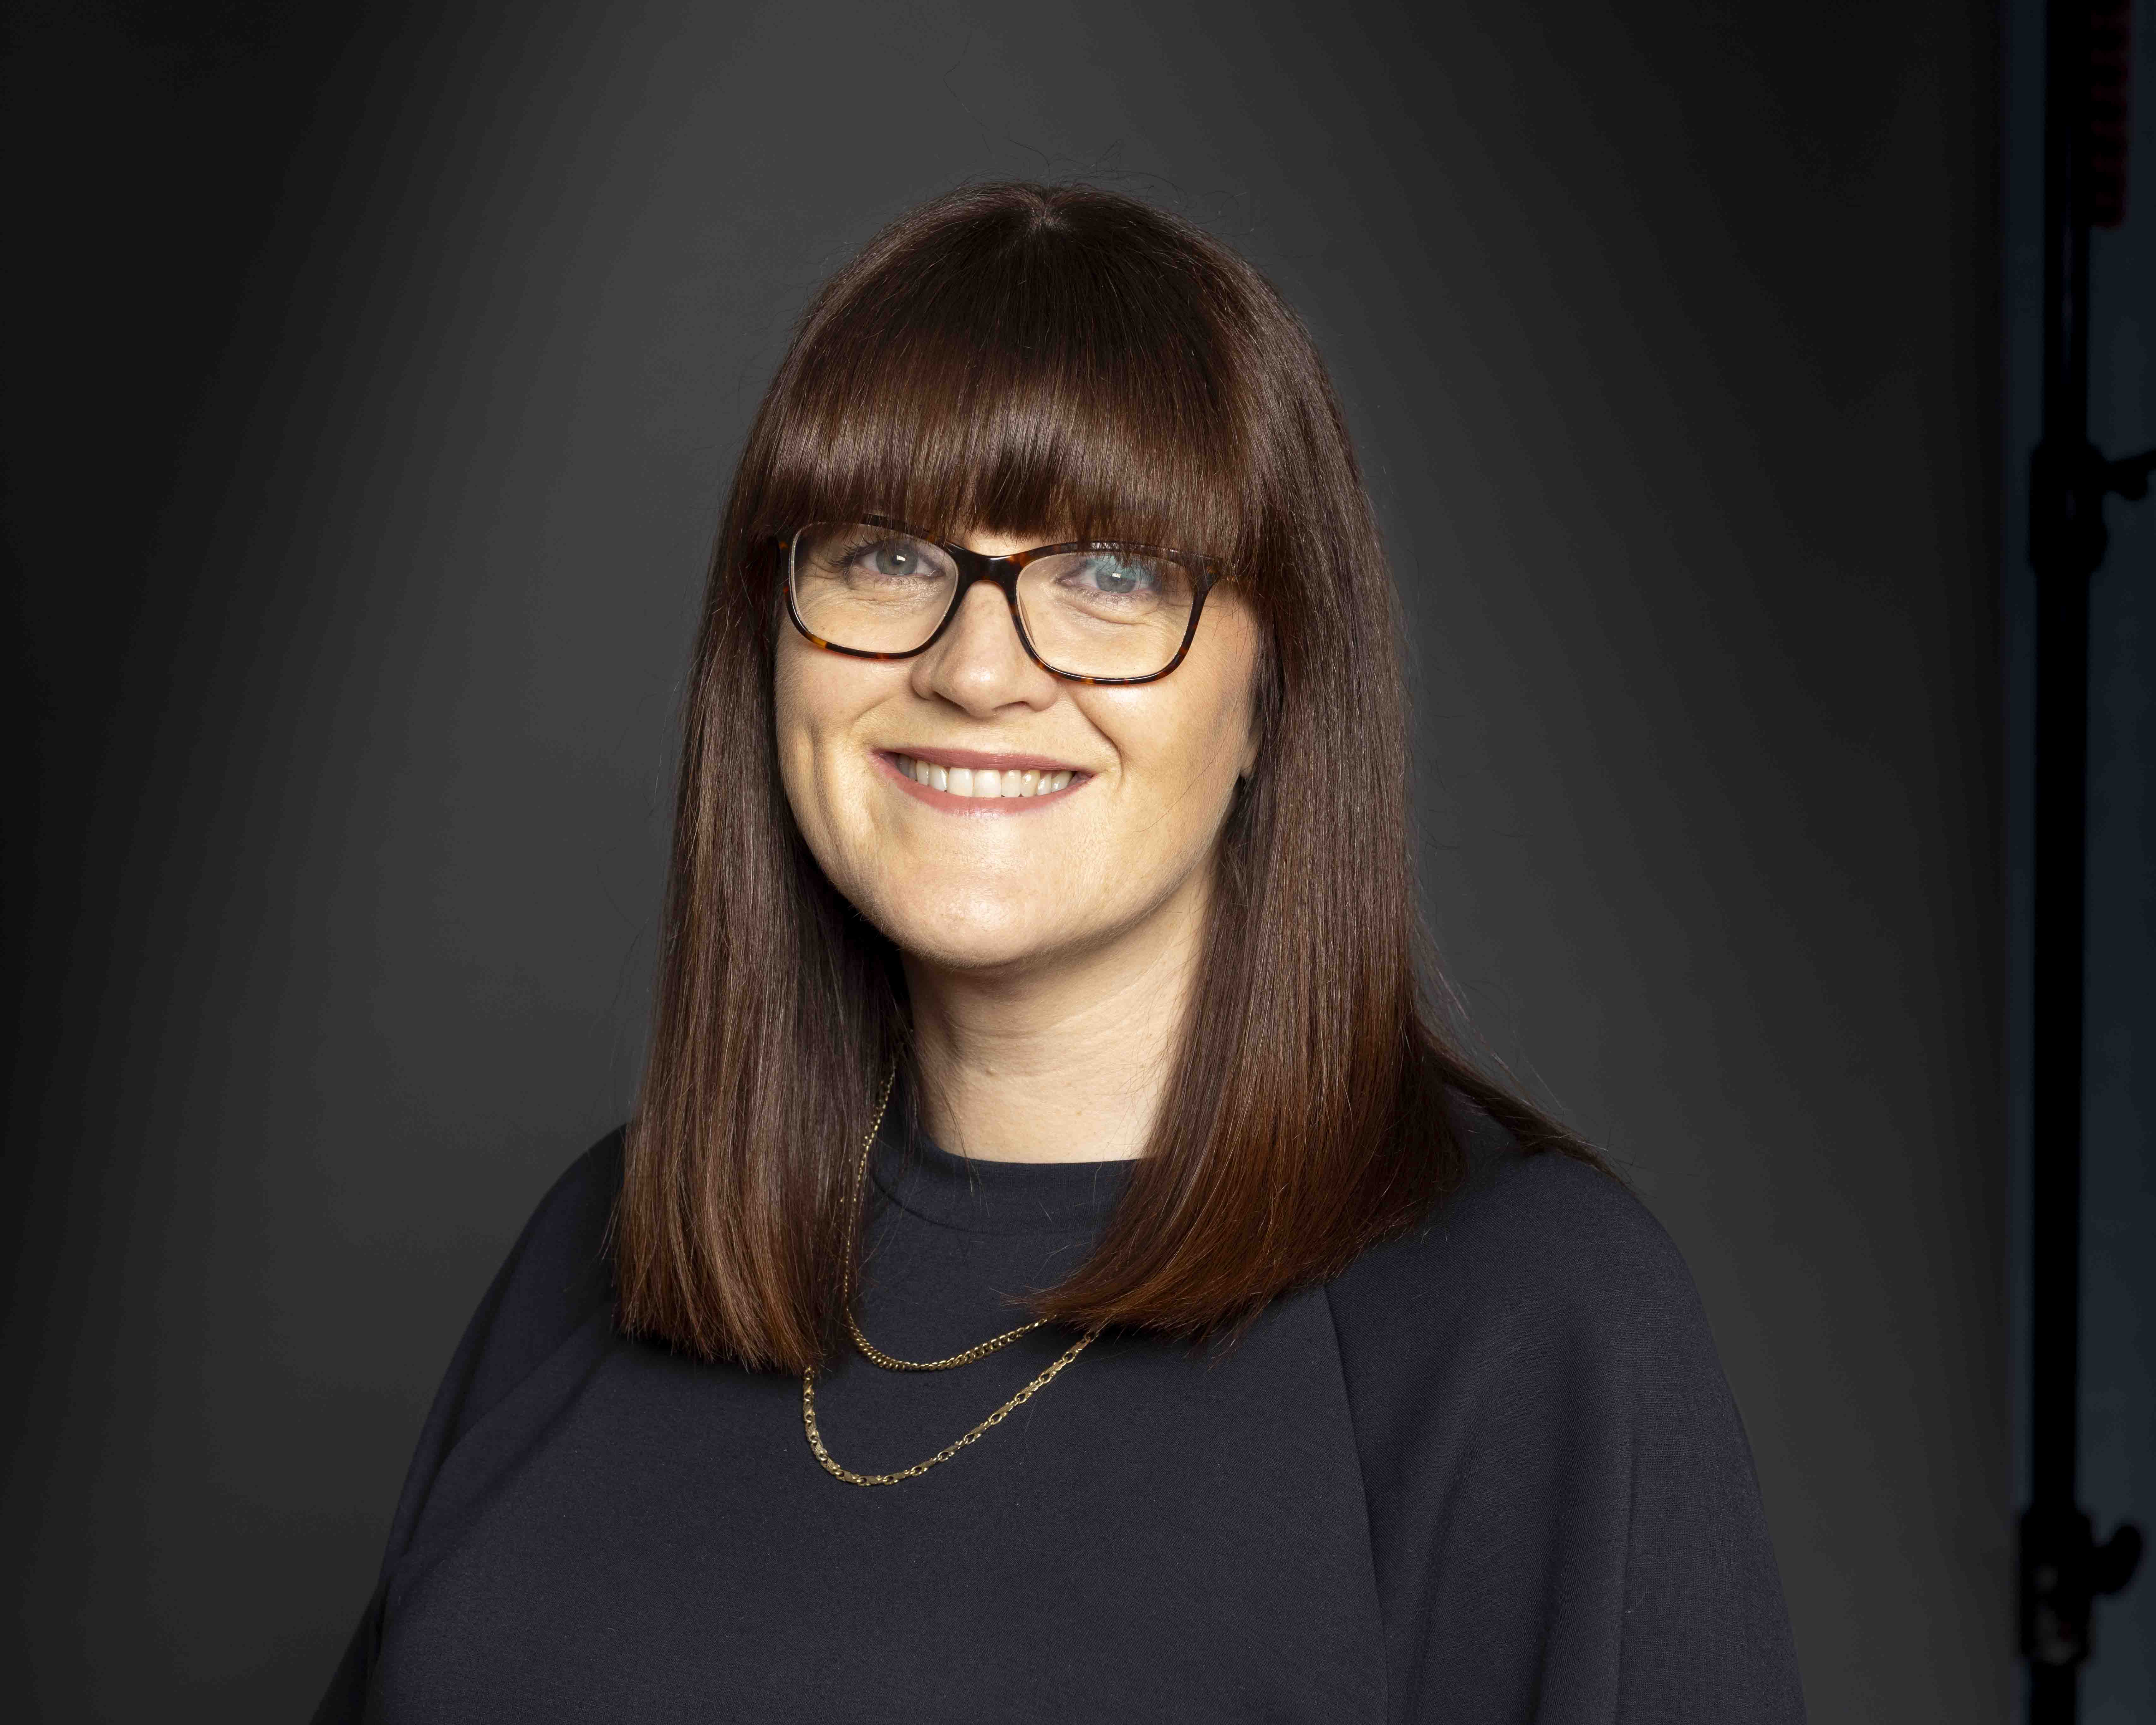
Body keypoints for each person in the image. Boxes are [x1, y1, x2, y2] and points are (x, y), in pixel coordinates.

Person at [313, 180, 1807, 1723]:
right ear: (768, 636)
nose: (975, 669)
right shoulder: (602, 1246)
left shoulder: (1522, 1319)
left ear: (1276, 689)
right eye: (886, 555)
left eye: (1112, 573)